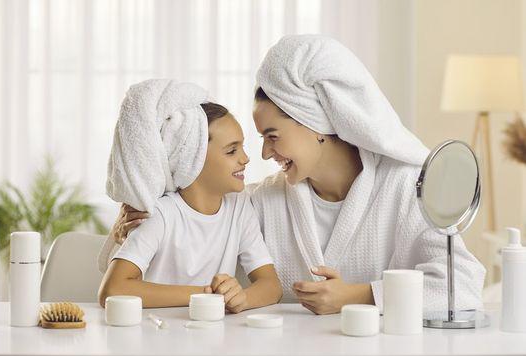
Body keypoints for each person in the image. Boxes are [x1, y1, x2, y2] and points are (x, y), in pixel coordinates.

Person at [106, 36, 485, 315]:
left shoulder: (405, 186)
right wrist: (129, 224)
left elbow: (462, 287)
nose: (264, 154)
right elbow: (189, 228)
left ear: (316, 122)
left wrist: (359, 295)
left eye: (272, 136)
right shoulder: (261, 201)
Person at [98, 79, 282, 312]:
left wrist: (241, 299)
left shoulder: (239, 207)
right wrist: (206, 294)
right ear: (193, 160)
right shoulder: (160, 214)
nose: (245, 159)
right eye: (232, 150)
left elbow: (271, 286)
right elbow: (113, 291)